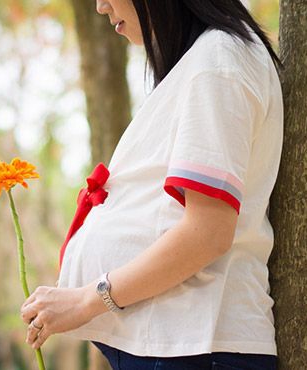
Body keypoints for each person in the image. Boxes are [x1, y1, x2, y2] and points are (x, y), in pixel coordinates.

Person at [20, 0, 283, 369]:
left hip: (192, 346)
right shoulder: (205, 61)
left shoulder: (218, 63)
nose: (100, 6)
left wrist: (86, 301)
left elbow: (207, 233)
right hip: (176, 345)